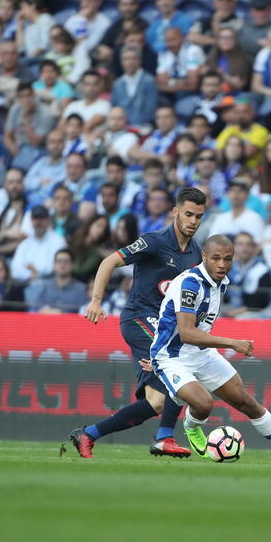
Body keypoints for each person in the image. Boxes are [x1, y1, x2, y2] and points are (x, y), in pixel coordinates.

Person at [126, 235, 271, 465]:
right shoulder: (190, 284)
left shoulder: (221, 282)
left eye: (228, 259)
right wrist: (233, 343)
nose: (222, 264)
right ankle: (191, 426)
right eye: (216, 258)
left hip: (201, 354)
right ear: (203, 257)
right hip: (172, 357)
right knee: (204, 403)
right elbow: (187, 333)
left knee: (246, 402)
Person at [65, 189, 208, 459]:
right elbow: (109, 261)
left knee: (156, 402)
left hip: (166, 327)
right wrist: (96, 300)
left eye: (199, 216)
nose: (193, 221)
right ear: (175, 212)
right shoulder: (154, 241)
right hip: (139, 317)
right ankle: (165, 437)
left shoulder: (196, 253)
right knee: (177, 365)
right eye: (188, 214)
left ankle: (88, 434)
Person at [10, 205, 67, 281]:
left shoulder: (58, 241)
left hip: (49, 283)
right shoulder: (25, 243)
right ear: (31, 220)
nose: (38, 222)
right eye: (36, 218)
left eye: (42, 218)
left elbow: (52, 268)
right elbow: (15, 269)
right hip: (25, 283)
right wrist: (29, 274)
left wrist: (35, 270)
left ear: (48, 220)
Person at [24, 248, 87, 313]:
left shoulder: (81, 289)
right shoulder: (45, 286)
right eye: (59, 261)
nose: (62, 265)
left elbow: (83, 313)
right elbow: (35, 309)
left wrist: (61, 314)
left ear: (72, 265)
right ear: (54, 265)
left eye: (66, 261)